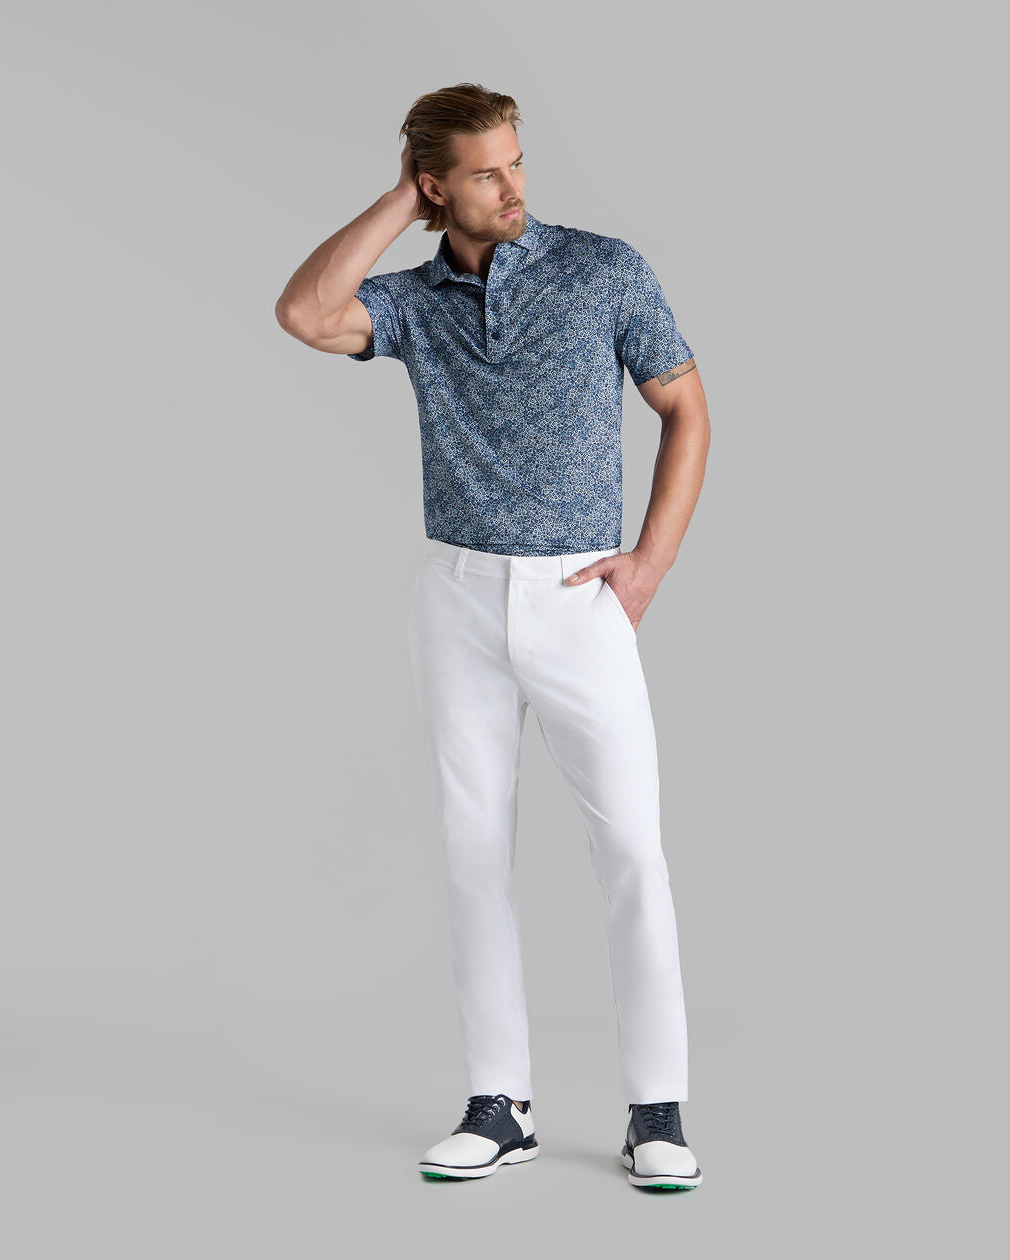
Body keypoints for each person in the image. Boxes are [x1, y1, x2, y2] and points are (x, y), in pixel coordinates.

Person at [274, 82, 710, 1191]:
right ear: (437, 186)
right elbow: (306, 314)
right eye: (484, 172)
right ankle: (498, 1103)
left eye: (517, 162)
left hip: (580, 593)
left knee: (632, 851)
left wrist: (651, 561)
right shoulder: (412, 303)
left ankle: (657, 1110)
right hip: (459, 598)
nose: (513, 186)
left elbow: (686, 407)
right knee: (473, 854)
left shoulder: (603, 269)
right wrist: (397, 201)